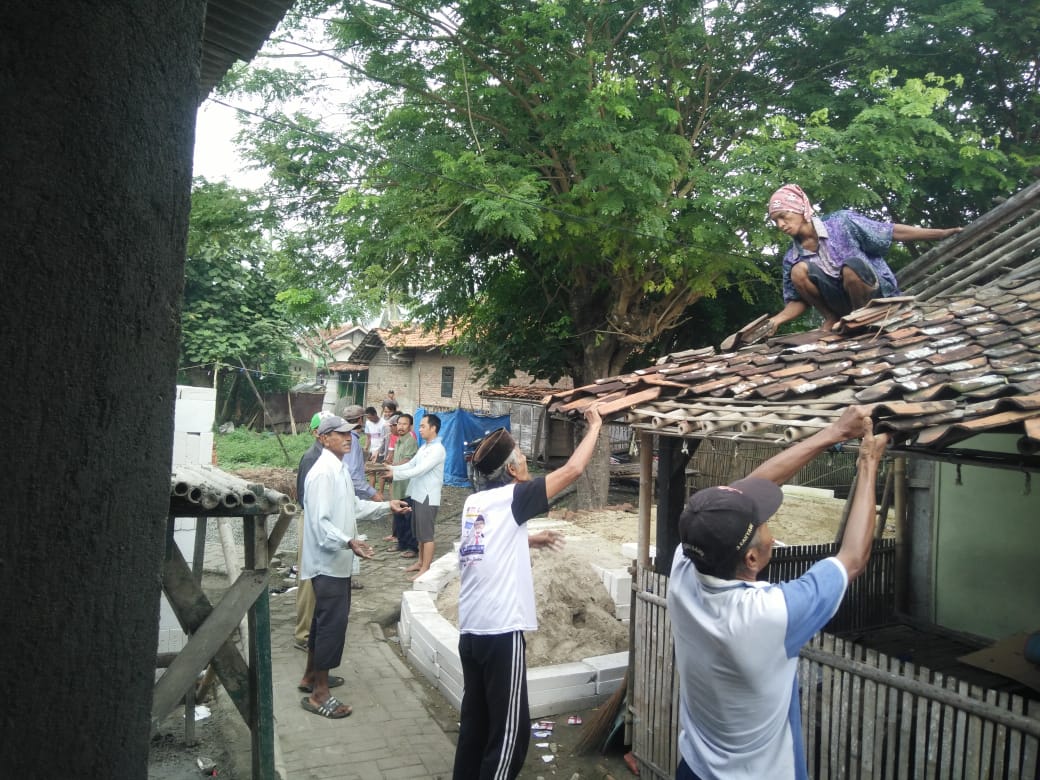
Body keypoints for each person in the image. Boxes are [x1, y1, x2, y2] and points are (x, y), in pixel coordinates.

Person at [667, 406, 889, 780]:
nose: (769, 523)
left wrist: (834, 432)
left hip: (695, 768)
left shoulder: (684, 569)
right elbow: (852, 559)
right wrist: (868, 463)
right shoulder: (769, 615)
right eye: (764, 523)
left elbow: (742, 493)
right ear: (752, 558)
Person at [452, 406, 603, 780]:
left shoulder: (475, 503)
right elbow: (572, 471)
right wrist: (597, 425)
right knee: (509, 736)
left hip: (471, 632)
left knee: (476, 726)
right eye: (520, 456)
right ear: (513, 471)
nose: (525, 461)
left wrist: (529, 539)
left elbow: (482, 546)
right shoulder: (514, 497)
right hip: (500, 633)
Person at [298, 415, 408, 719]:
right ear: (323, 438)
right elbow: (320, 523)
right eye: (340, 433)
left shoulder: (339, 468)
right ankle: (319, 695)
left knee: (323, 623)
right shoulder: (323, 473)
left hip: (338, 560)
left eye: (350, 433)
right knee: (332, 626)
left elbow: (354, 507)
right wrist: (349, 541)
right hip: (327, 562)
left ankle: (310, 677)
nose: (348, 438)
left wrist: (388, 506)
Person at [762, 184, 962, 334]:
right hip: (840, 304)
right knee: (799, 271)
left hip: (872, 293)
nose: (780, 224)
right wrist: (775, 321)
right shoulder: (792, 256)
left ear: (801, 209)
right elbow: (798, 300)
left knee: (851, 266)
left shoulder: (841, 223)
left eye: (783, 216)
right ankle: (833, 318)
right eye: (775, 221)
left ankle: (859, 315)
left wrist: (941, 233)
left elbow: (890, 232)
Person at [384, 414, 446, 580]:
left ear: (433, 428)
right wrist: (388, 467)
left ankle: (426, 567)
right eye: (419, 426)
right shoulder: (424, 447)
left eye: (423, 426)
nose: (420, 429)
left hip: (428, 496)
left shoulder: (437, 450)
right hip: (417, 494)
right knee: (418, 532)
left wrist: (395, 475)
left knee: (426, 534)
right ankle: (420, 562)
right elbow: (411, 464)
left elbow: (420, 470)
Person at [292, 410, 332, 652]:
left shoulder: (327, 457)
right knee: (308, 579)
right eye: (328, 430)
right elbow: (307, 498)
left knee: (318, 578)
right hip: (311, 521)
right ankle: (303, 634)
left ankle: (312, 630)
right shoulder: (312, 458)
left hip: (319, 521)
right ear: (316, 433)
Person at [385, 412, 419, 557]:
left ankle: (412, 547)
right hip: (399, 485)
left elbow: (407, 461)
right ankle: (401, 543)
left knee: (409, 518)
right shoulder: (399, 440)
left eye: (404, 424)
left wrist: (391, 468)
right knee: (399, 516)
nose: (401, 427)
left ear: (410, 426)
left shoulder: (410, 441)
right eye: (399, 424)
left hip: (408, 487)